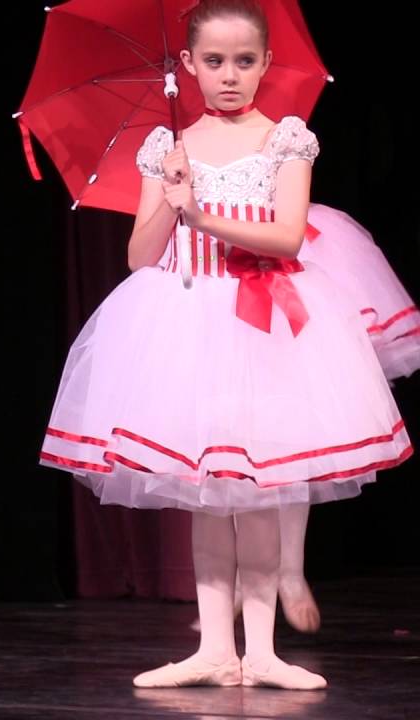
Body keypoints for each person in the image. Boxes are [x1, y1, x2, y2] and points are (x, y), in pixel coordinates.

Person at [38, 0, 411, 689]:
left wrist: (204, 214)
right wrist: (171, 200)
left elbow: (289, 236)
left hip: (264, 324)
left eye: (244, 61)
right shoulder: (166, 148)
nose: (230, 75)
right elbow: (138, 256)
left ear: (266, 63)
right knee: (206, 493)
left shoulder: (286, 140)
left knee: (260, 494)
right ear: (188, 66)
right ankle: (214, 647)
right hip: (185, 319)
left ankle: (263, 650)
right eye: (214, 62)